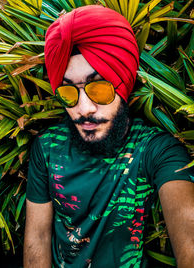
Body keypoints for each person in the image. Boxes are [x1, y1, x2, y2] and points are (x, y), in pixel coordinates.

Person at [23, 5, 194, 268]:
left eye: (99, 88)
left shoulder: (155, 150)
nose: (84, 109)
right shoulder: (47, 147)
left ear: (123, 84)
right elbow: (38, 237)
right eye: (69, 92)